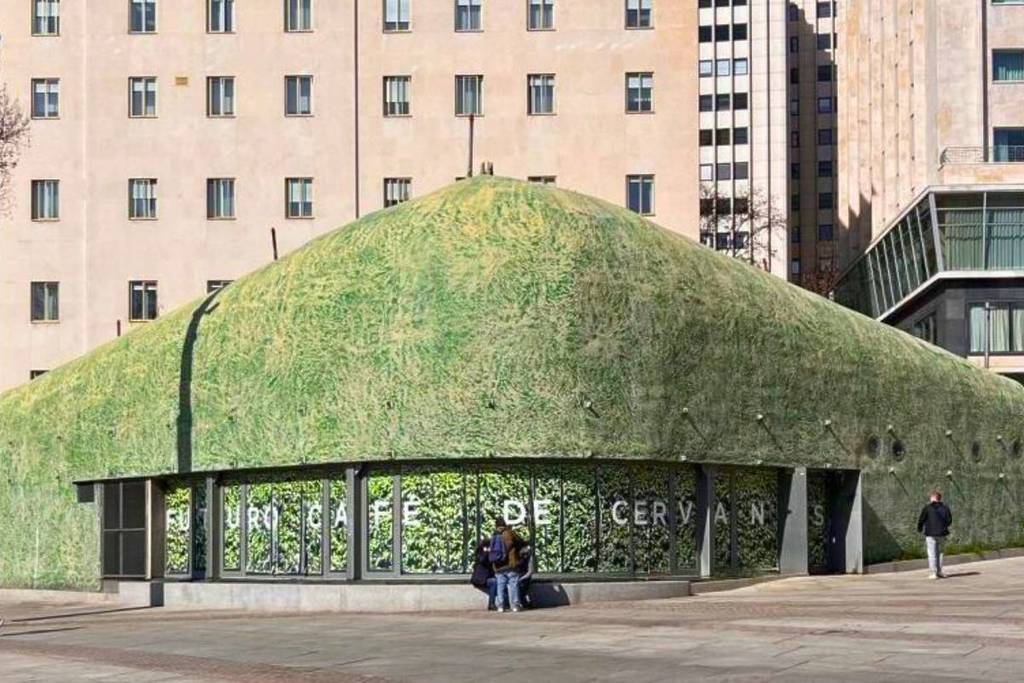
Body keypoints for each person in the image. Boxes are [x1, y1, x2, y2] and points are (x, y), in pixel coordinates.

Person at [489, 517, 525, 613]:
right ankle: (515, 605)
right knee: (513, 584)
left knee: (500, 585)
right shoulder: (509, 533)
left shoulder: (494, 535)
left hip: (498, 565)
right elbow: (520, 542)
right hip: (510, 564)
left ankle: (500, 606)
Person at [917, 490, 953, 579]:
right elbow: (949, 521)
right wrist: (943, 526)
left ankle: (933, 573)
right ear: (939, 498)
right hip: (942, 533)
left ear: (932, 498)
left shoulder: (927, 508)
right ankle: (940, 571)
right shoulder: (945, 508)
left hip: (930, 534)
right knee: (940, 553)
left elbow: (921, 519)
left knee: (932, 553)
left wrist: (920, 528)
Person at [470, 538, 497, 610]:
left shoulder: (487, 553)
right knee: (493, 583)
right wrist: (486, 552)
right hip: (480, 579)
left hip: (485, 578)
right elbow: (482, 560)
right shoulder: (481, 553)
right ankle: (491, 604)